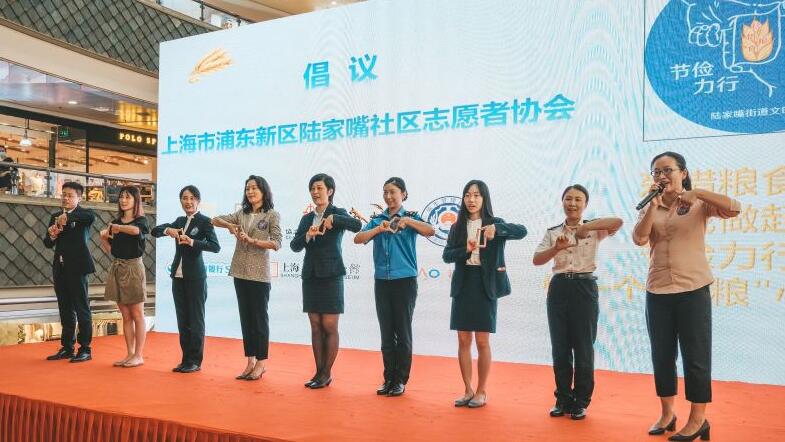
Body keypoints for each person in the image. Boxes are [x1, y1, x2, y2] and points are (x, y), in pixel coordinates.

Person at [633, 151, 740, 441]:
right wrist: (651, 207)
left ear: (683, 173)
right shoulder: (651, 205)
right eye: (656, 172)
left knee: (696, 357)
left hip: (693, 290)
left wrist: (699, 192)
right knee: (662, 356)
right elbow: (639, 238)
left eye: (667, 170)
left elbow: (735, 208)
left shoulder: (698, 203)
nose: (661, 176)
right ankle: (668, 414)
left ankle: (698, 419)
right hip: (657, 290)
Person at [532, 184, 623, 420]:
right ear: (562, 202)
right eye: (568, 199)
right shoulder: (553, 232)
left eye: (578, 200)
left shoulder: (595, 229)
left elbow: (618, 222)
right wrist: (556, 247)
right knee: (560, 347)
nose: (572, 203)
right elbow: (537, 260)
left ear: (585, 204)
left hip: (585, 288)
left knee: (583, 347)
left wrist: (586, 227)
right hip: (559, 287)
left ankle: (581, 401)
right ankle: (562, 399)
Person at [442, 180, 527, 408]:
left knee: (482, 340)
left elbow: (522, 231)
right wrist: (466, 250)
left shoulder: (494, 223)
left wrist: (497, 230)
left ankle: (481, 390)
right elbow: (447, 256)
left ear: (484, 198)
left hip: (485, 285)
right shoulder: (457, 227)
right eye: (467, 195)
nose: (471, 199)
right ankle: (467, 389)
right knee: (463, 339)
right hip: (463, 285)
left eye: (476, 195)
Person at [354, 177, 435, 397]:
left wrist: (408, 222)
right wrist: (378, 230)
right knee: (386, 333)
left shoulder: (411, 217)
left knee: (403, 332)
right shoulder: (377, 219)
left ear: (403, 194)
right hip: (382, 281)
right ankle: (388, 378)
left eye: (393, 192)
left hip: (405, 281)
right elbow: (358, 238)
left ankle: (400, 380)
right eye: (385, 192)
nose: (388, 196)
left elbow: (431, 230)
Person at [291, 173, 362, 389]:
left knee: (329, 325)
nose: (315, 192)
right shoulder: (307, 218)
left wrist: (334, 219)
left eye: (319, 188)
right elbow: (295, 246)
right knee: (315, 326)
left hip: (331, 275)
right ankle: (318, 372)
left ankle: (326, 373)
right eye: (312, 188)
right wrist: (308, 235)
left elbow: (357, 225)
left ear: (330, 191)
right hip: (311, 275)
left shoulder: (337, 212)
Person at [212, 175, 282, 381]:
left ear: (263, 191)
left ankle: (261, 362)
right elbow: (214, 220)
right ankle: (250, 360)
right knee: (246, 318)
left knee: (259, 319)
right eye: (247, 188)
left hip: (259, 274)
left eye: (254, 188)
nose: (250, 192)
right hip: (240, 270)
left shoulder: (271, 215)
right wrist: (229, 226)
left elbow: (277, 243)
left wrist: (253, 241)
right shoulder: (241, 213)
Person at [152, 185, 220, 373]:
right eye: (184, 198)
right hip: (178, 276)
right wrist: (169, 231)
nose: (188, 202)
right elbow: (155, 230)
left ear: (198, 201)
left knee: (196, 320)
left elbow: (215, 246)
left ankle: (195, 361)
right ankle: (185, 359)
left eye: (191, 198)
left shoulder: (205, 221)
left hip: (196, 277)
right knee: (183, 320)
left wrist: (192, 242)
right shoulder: (180, 221)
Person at [43, 181, 96, 362]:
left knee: (82, 308)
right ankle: (67, 347)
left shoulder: (84, 214)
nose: (65, 198)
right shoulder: (55, 216)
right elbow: (47, 243)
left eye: (70, 195)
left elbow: (90, 217)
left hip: (78, 268)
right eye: (63, 194)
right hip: (60, 268)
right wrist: (52, 235)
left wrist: (67, 218)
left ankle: (85, 348)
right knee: (65, 308)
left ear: (79, 198)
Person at [99, 185, 149, 368]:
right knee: (126, 315)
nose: (123, 200)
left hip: (134, 268)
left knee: (137, 314)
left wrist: (118, 227)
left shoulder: (141, 220)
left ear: (136, 200)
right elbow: (113, 251)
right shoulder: (115, 222)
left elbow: (136, 231)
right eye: (121, 197)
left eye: (128, 197)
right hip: (118, 266)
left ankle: (139, 355)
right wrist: (103, 239)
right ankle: (129, 354)